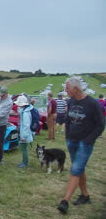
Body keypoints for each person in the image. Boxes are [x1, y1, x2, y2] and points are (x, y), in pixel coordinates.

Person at [57, 77, 104, 214]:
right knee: (79, 168)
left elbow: (100, 125)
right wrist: (67, 137)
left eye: (67, 88)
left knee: (76, 169)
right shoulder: (71, 101)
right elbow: (68, 119)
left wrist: (88, 140)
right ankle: (85, 196)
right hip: (72, 141)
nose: (65, 91)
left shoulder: (92, 103)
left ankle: (65, 201)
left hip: (85, 143)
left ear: (75, 89)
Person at [14, 95, 33, 168]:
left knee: (24, 148)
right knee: (23, 148)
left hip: (25, 134)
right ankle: (24, 162)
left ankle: (25, 163)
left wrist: (23, 136)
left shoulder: (25, 113)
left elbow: (26, 125)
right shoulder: (24, 111)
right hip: (24, 133)